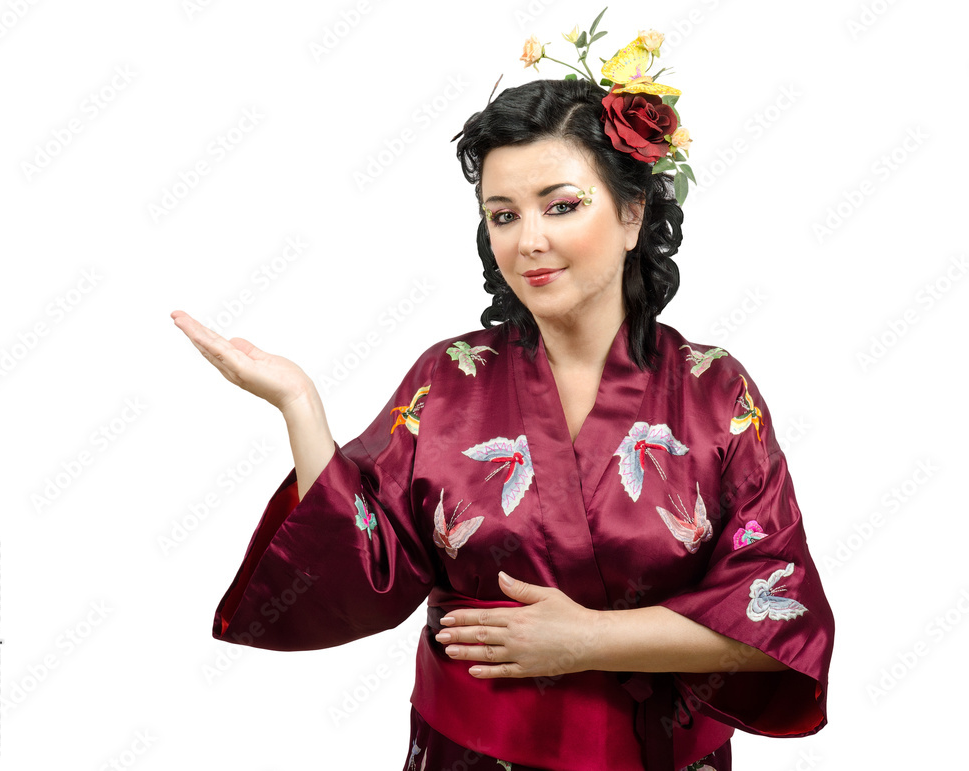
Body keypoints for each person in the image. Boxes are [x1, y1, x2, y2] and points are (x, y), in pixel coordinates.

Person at [172, 24, 833, 771]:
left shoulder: (716, 389)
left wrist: (588, 639)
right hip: (468, 753)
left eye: (561, 206)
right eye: (504, 214)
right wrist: (299, 403)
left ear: (632, 213)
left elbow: (780, 613)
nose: (528, 241)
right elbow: (365, 562)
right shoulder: (448, 378)